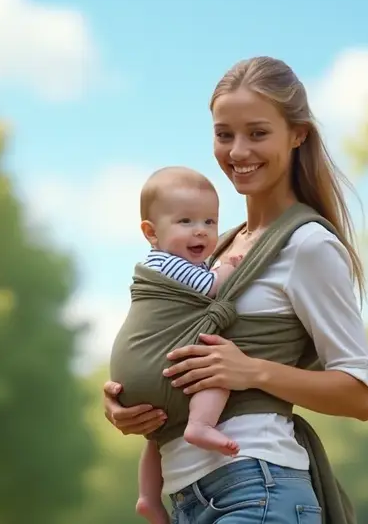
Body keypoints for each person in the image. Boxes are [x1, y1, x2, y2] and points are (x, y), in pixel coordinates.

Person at [103, 55, 368, 524]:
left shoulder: (307, 245)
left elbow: (360, 394)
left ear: (297, 135)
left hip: (257, 487)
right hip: (188, 496)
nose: (237, 151)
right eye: (224, 134)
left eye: (257, 133)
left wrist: (251, 371)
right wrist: (127, 404)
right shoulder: (215, 250)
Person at [133, 166, 244, 524]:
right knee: (217, 370)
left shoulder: (162, 262)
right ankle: (201, 423)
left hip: (140, 369)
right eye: (185, 221)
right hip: (162, 360)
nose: (201, 231)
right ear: (151, 232)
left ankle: (148, 497)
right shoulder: (169, 265)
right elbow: (210, 287)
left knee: (158, 435)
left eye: (210, 222)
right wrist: (228, 268)